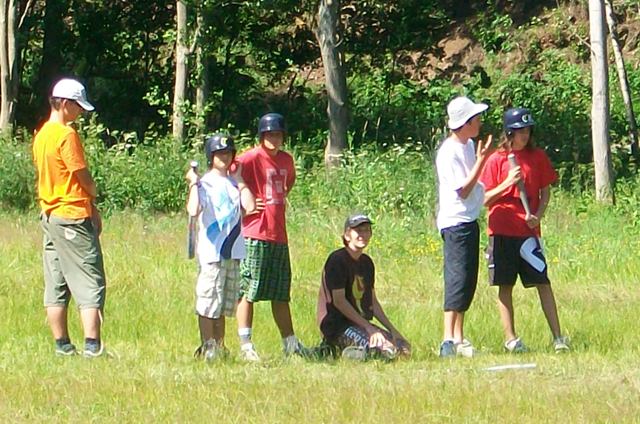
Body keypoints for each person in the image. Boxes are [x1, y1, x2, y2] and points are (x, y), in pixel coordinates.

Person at [480, 107, 570, 353]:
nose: (525, 135)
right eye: (520, 131)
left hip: (528, 233)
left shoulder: (537, 157)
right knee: (505, 284)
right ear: (509, 132)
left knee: (542, 281)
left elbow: (546, 191)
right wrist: (507, 183)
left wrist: (538, 215)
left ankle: (558, 337)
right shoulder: (496, 160)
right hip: (501, 230)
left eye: (528, 130)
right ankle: (511, 339)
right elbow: (484, 199)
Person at [32, 78, 106, 357]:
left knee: (56, 280)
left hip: (50, 214)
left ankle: (62, 345)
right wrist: (94, 192)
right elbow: (80, 173)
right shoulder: (66, 135)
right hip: (72, 214)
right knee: (90, 279)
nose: (81, 113)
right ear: (64, 104)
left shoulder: (41, 134)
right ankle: (92, 346)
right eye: (77, 107)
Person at [234, 112, 307, 361]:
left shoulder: (286, 159)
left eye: (278, 134)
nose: (274, 139)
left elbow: (288, 185)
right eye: (269, 134)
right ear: (261, 136)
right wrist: (245, 200)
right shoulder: (251, 157)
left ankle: (290, 343)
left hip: (279, 234)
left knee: (280, 291)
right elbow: (228, 173)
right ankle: (246, 344)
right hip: (255, 233)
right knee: (249, 289)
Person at [185, 133, 258, 361]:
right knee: (208, 301)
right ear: (211, 156)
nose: (224, 157)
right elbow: (193, 210)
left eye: (228, 153)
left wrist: (240, 180)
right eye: (219, 153)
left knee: (224, 303)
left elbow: (250, 206)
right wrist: (193, 183)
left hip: (232, 252)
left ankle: (219, 345)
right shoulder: (205, 183)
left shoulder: (234, 183)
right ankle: (208, 345)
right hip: (212, 252)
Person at [435, 95, 494, 358]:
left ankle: (459, 337)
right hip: (455, 222)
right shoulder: (448, 152)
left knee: (468, 280)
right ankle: (447, 339)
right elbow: (463, 190)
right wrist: (482, 160)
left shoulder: (468, 145)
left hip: (469, 220)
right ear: (465, 122)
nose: (480, 122)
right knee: (457, 278)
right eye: (476, 118)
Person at [317, 214, 411, 360]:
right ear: (347, 235)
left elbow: (373, 302)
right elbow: (339, 301)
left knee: (402, 348)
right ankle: (339, 350)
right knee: (385, 351)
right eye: (358, 231)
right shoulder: (337, 260)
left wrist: (393, 330)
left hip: (359, 323)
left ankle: (356, 352)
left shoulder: (367, 263)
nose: (363, 234)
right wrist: (369, 328)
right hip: (338, 325)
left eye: (367, 230)